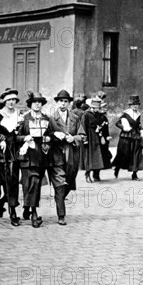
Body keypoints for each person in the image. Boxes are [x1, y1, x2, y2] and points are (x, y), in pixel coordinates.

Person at [16, 91, 65, 227]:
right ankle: (34, 214)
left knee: (35, 185)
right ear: (30, 104)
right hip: (28, 156)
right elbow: (15, 137)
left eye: (39, 102)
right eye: (34, 102)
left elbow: (54, 134)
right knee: (31, 183)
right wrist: (24, 138)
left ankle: (27, 208)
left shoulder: (47, 119)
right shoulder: (24, 119)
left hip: (42, 156)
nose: (37, 105)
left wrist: (50, 137)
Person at [48, 90, 84, 225]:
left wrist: (73, 138)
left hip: (71, 156)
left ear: (69, 103)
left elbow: (82, 135)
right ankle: (61, 215)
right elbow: (47, 135)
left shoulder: (75, 118)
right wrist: (55, 135)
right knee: (60, 184)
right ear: (57, 103)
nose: (63, 104)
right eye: (60, 101)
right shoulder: (51, 118)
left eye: (65, 101)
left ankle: (60, 198)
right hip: (57, 154)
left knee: (69, 181)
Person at [0, 89, 23, 226]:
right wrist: (1, 139)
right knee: (7, 180)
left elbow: (21, 131)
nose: (11, 102)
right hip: (2, 152)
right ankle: (10, 209)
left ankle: (10, 207)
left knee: (14, 180)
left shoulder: (18, 114)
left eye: (13, 100)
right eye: (9, 100)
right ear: (4, 101)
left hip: (15, 150)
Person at [113, 95, 143, 180]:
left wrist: (141, 130)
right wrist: (124, 127)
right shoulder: (126, 114)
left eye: (137, 104)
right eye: (134, 104)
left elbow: (138, 125)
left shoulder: (138, 114)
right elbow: (117, 123)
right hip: (126, 137)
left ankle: (134, 174)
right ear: (130, 105)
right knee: (123, 154)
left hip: (136, 136)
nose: (135, 106)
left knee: (136, 154)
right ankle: (117, 168)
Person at [81, 97, 111, 182]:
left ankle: (96, 174)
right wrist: (85, 139)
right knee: (89, 157)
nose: (97, 110)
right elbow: (83, 127)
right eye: (95, 108)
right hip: (90, 137)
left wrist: (101, 130)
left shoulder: (99, 115)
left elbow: (102, 125)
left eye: (98, 108)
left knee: (98, 156)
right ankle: (87, 174)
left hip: (98, 137)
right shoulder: (86, 114)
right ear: (92, 107)